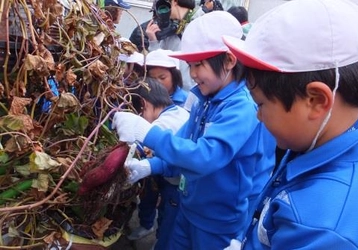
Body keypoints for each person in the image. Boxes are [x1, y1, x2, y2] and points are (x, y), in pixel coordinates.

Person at [112, 11, 276, 249]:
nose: (193, 74)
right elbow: (183, 146)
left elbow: (203, 156)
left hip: (219, 221)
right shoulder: (204, 99)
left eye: (199, 64)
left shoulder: (241, 107)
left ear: (229, 61)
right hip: (189, 207)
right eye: (190, 65)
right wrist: (150, 165)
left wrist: (147, 133)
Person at [222, 0, 358, 249]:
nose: (258, 116)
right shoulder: (314, 141)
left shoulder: (323, 229)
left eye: (261, 105)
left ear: (315, 101)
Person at [127, 77, 190, 248]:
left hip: (178, 186)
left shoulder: (161, 124)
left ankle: (161, 243)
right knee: (165, 213)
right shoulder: (178, 111)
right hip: (178, 182)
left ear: (144, 104)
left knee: (169, 221)